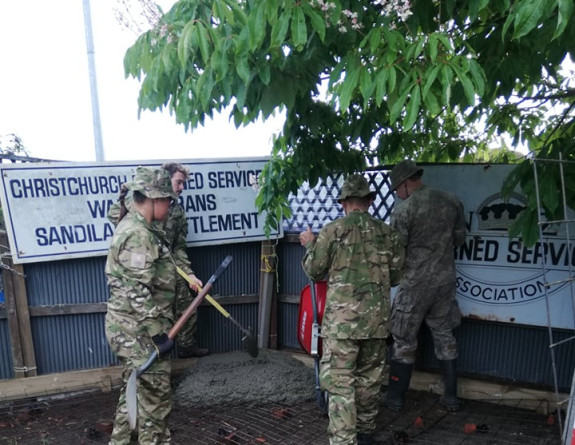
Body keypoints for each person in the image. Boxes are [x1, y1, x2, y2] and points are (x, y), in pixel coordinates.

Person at [299, 174, 404, 445]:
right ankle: (365, 434)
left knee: (341, 385)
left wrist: (310, 244)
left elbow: (314, 271)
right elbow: (396, 276)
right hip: (376, 322)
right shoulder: (388, 233)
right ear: (369, 200)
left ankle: (344, 441)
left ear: (343, 202)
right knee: (369, 381)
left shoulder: (332, 230)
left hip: (341, 325)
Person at [383, 160, 466, 412]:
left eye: (397, 188)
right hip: (444, 281)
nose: (396, 193)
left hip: (415, 284)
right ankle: (450, 397)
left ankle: (396, 398)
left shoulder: (404, 211)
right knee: (443, 333)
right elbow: (460, 239)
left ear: (406, 183)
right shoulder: (451, 200)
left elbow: (394, 251)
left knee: (404, 339)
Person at [105, 166, 178, 444]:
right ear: (152, 198)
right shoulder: (138, 234)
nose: (170, 206)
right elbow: (134, 289)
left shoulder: (137, 226)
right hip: (139, 334)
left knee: (134, 394)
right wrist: (158, 333)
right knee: (155, 403)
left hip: (131, 330)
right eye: (168, 200)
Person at [108, 163, 207, 358]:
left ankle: (185, 348)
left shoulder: (177, 212)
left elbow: (179, 247)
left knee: (187, 306)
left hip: (169, 264)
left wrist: (189, 274)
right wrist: (145, 234)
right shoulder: (135, 208)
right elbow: (116, 217)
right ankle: (154, 355)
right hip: (146, 265)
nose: (181, 188)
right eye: (178, 182)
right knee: (149, 309)